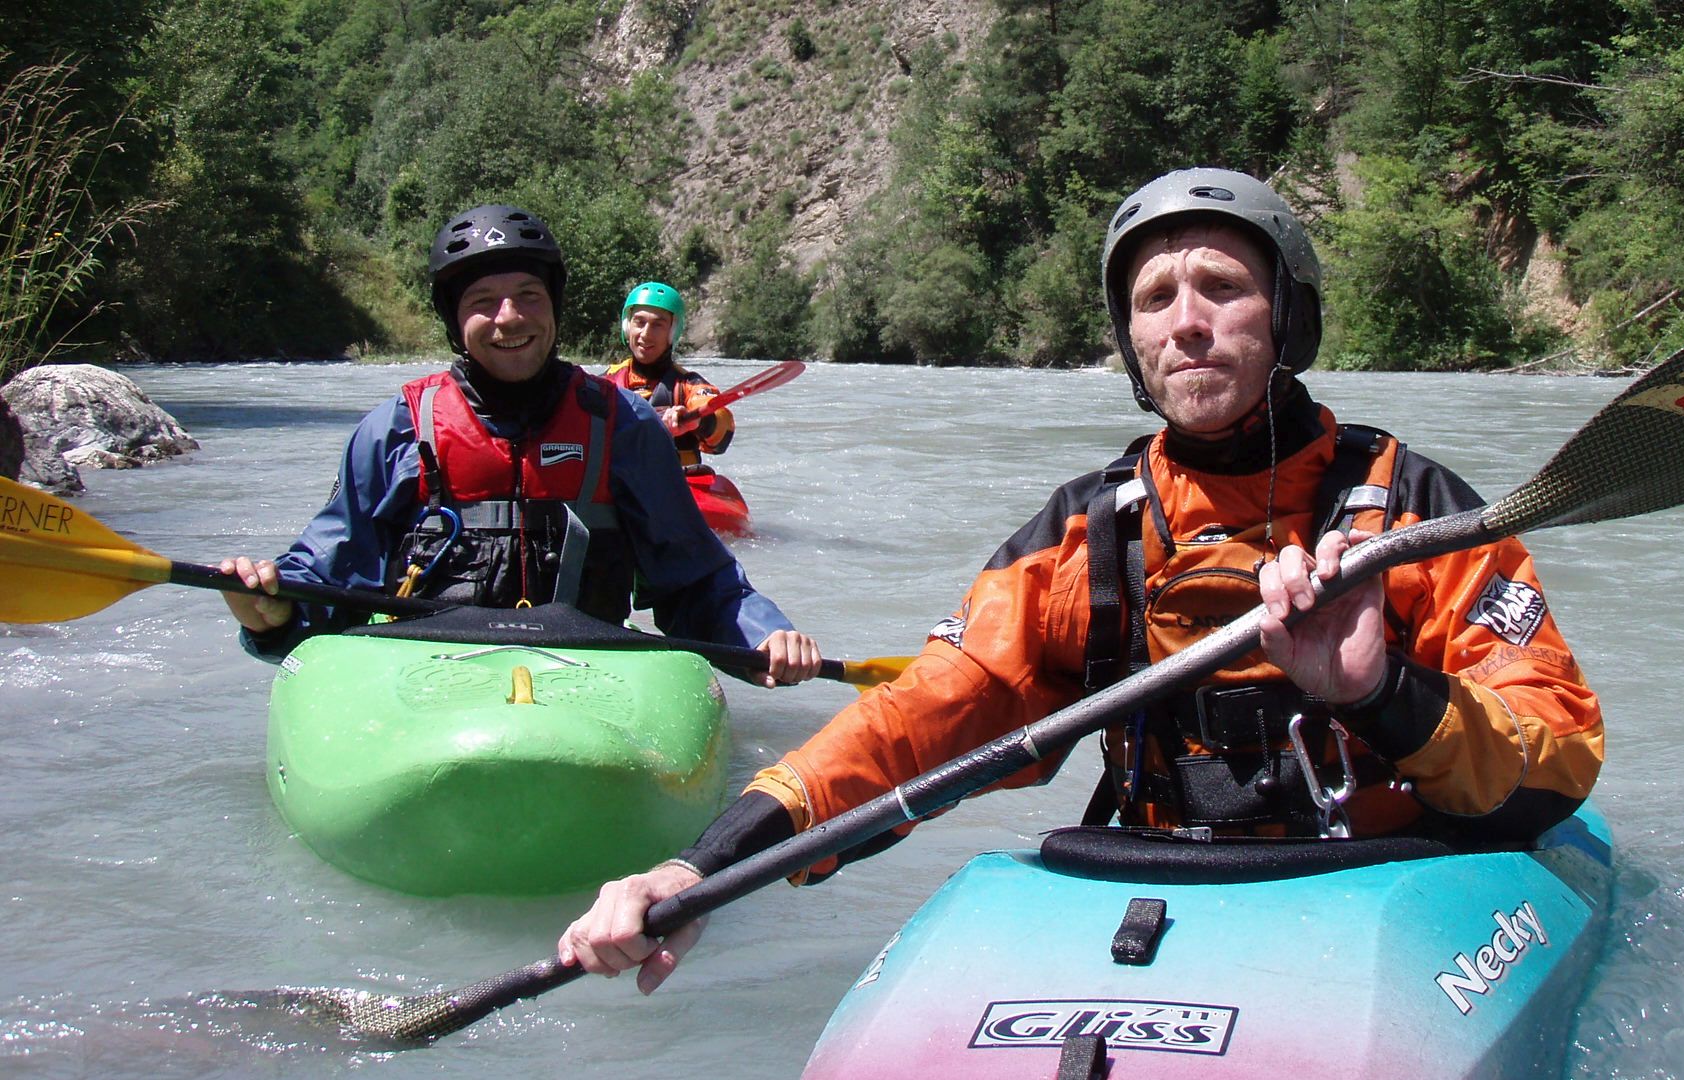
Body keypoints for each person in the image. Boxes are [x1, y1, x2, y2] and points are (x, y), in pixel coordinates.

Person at [558, 168, 1604, 992]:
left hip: (1389, 888)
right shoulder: (1085, 537)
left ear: (1289, 318)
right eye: (1155, 299)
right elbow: (921, 719)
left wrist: (1380, 693)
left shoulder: (1417, 508)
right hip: (1160, 888)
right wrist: (705, 867)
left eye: (1224, 288)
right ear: (1131, 342)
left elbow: (1557, 757)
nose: (1185, 321)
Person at [219, 205, 821, 688]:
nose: (509, 318)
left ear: (554, 307)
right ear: (455, 321)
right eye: (482, 302)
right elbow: (329, 568)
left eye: (529, 296)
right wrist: (274, 612)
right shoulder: (398, 428)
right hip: (426, 674)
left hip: (587, 670)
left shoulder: (624, 426)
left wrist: (760, 635)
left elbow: (695, 580)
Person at [604, 282, 734, 468]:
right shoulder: (604, 382)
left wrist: (697, 420)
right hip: (619, 486)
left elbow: (723, 434)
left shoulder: (689, 384)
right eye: (639, 322)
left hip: (675, 486)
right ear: (627, 326)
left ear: (672, 332)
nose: (646, 334)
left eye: (658, 325)